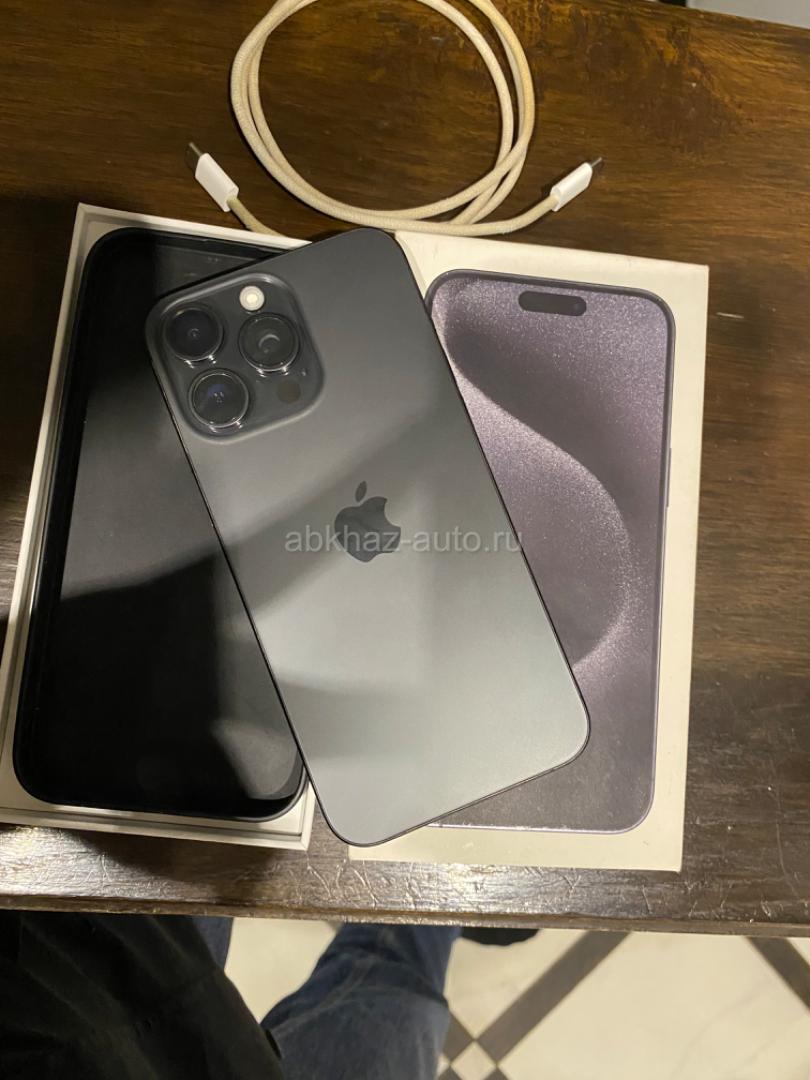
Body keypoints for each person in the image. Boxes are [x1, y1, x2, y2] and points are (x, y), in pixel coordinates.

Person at [0, 909, 460, 1079]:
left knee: (204, 834)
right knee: (405, 1007)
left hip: (91, 1015)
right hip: (210, 1052)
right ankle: (444, 859)